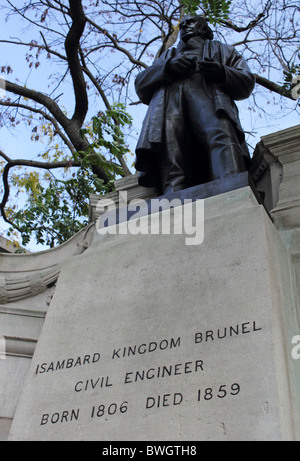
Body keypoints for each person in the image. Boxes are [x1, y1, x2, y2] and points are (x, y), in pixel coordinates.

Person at [135, 15, 255, 195]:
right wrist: (167, 68)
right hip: (170, 102)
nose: (184, 26)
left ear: (204, 29)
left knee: (220, 138)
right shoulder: (168, 56)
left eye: (190, 22)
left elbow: (246, 81)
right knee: (171, 153)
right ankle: (173, 200)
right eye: (182, 24)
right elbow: (141, 84)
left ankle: (231, 192)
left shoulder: (222, 50)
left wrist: (222, 72)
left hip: (209, 97)